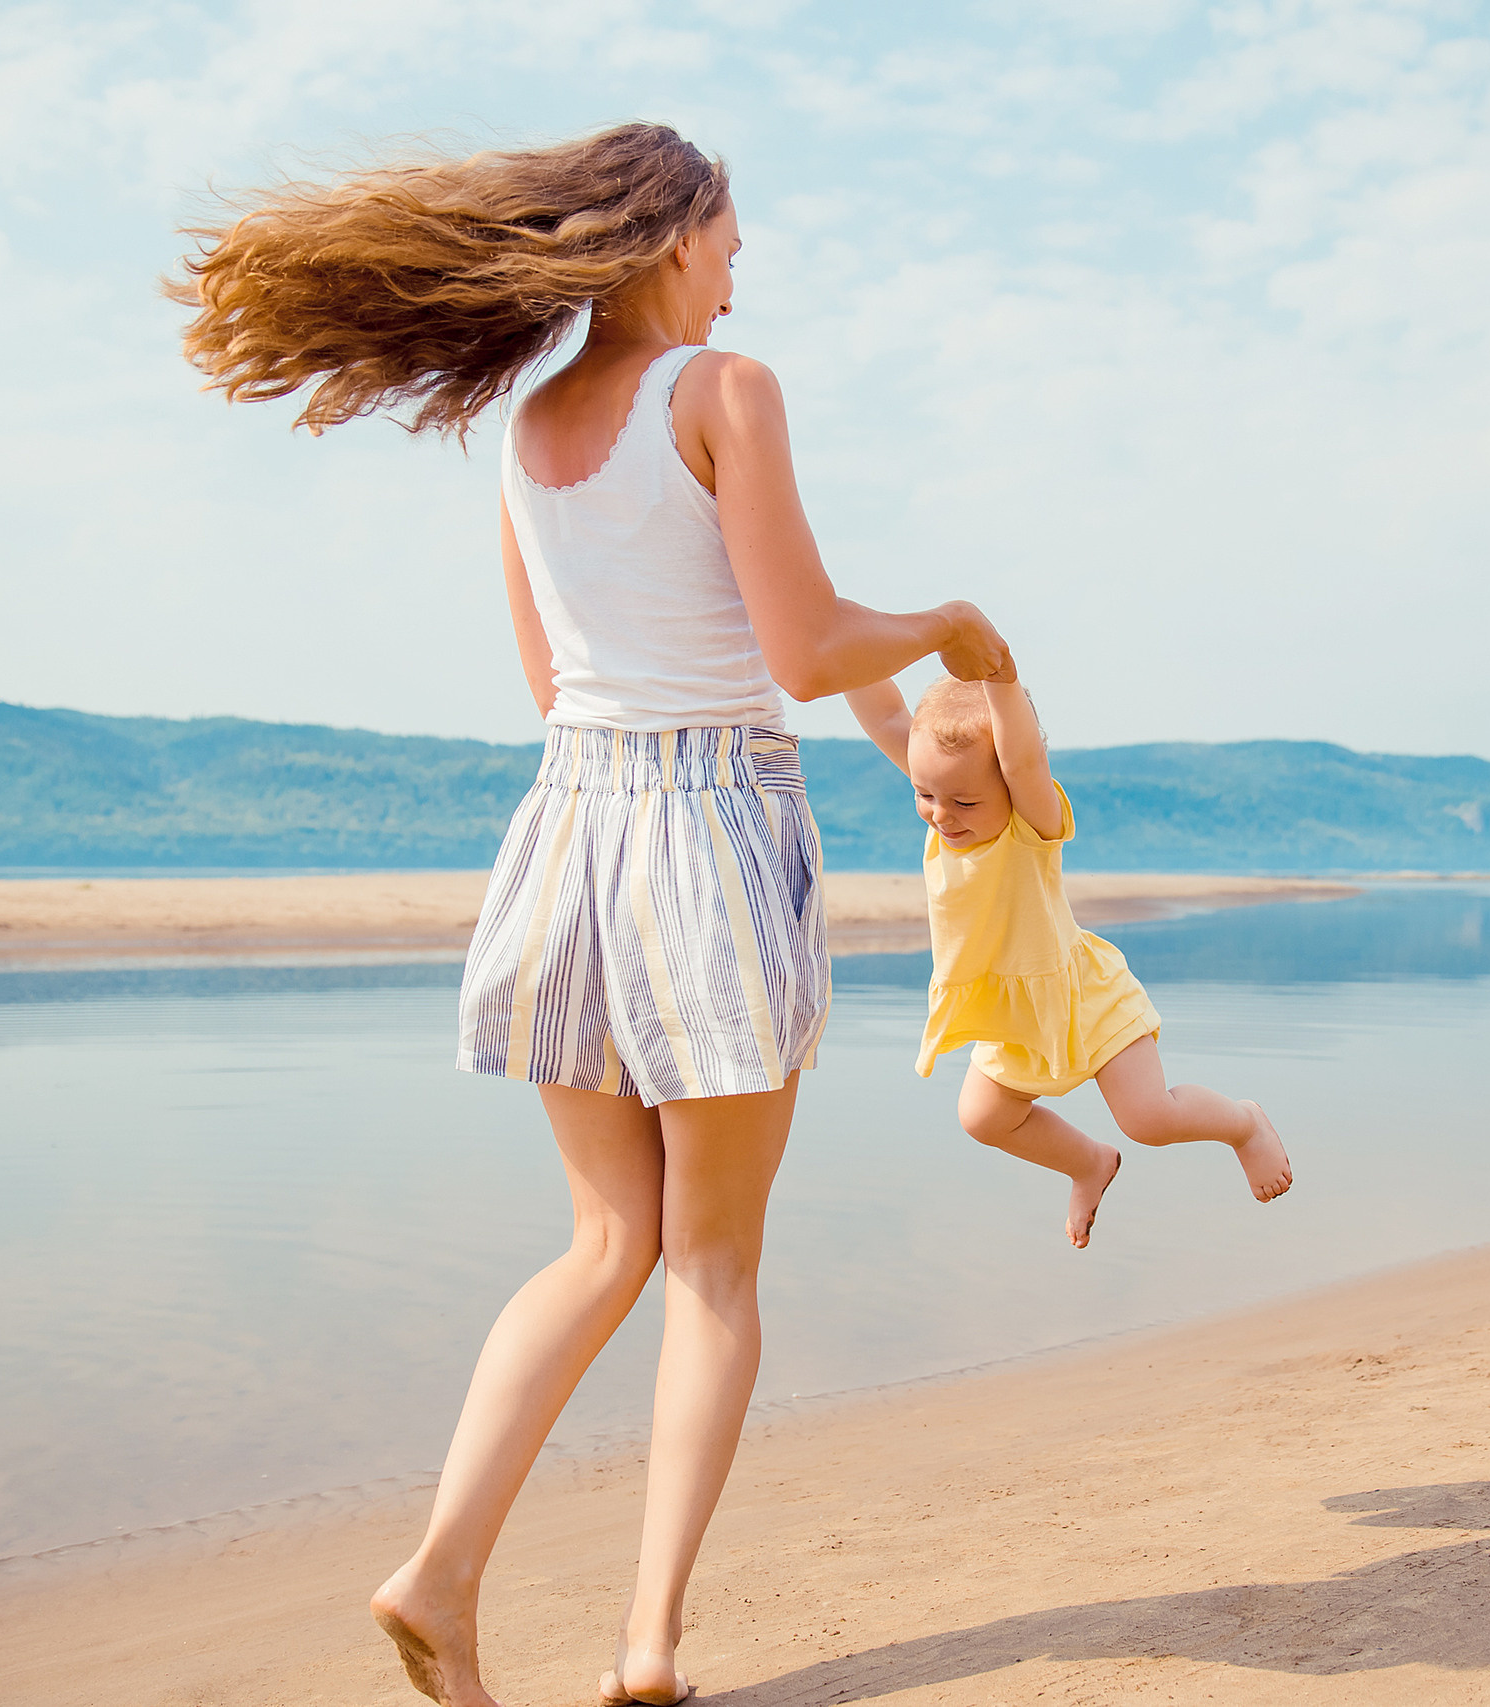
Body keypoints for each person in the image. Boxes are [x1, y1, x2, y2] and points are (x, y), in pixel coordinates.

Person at [170, 123, 1011, 1707]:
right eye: (731, 239)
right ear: (668, 233)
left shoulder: (527, 422)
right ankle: (646, 1643)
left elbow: (557, 678)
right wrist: (955, 623)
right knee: (712, 1269)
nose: (742, 269)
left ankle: (441, 1566)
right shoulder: (726, 392)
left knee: (602, 1242)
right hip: (710, 837)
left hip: (570, 833)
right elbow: (811, 638)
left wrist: (860, 717)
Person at [843, 671, 1293, 1248]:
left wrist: (998, 672)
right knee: (982, 1119)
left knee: (1149, 1121)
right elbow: (884, 716)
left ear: (1008, 783)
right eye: (924, 795)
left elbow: (1025, 760)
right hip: (1010, 1013)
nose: (940, 814)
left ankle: (1244, 1123)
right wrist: (849, 646)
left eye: (963, 801)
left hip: (1084, 997)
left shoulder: (1030, 821)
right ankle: (1087, 1164)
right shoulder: (948, 795)